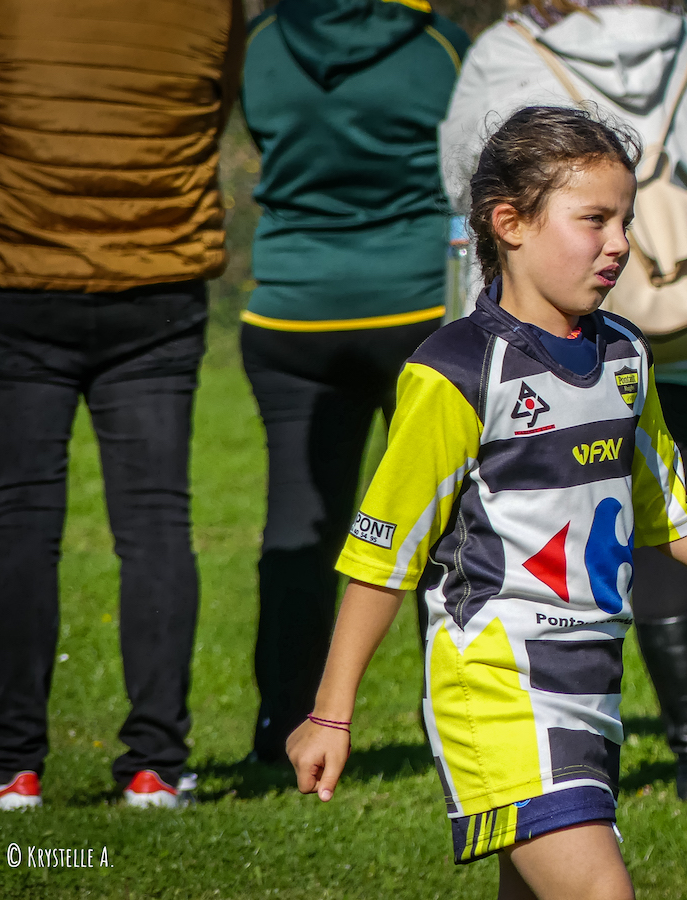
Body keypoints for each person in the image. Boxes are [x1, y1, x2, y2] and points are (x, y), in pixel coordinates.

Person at [287, 106, 687, 899]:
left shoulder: (625, 355)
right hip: (499, 686)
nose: (619, 242)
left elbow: (666, 509)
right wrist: (331, 713)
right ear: (510, 224)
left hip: (593, 684)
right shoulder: (456, 372)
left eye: (624, 219)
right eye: (594, 220)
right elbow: (386, 554)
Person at [0, 0, 244, 810]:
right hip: (155, 273)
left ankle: (8, 769)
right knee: (156, 524)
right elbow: (216, 103)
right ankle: (156, 767)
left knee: (18, 524)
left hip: (12, 269)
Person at [440, 0, 687, 802]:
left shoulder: (507, 46)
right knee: (661, 519)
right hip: (680, 306)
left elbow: (464, 179)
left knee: (537, 531)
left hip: (536, 333)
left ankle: (551, 743)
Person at [238, 0, 469, 765]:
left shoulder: (262, 40)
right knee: (438, 528)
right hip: (418, 309)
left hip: (291, 309)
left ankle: (282, 724)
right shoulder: (440, 45)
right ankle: (452, 726)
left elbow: (258, 131)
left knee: (297, 527)